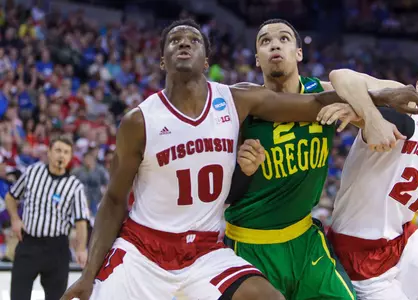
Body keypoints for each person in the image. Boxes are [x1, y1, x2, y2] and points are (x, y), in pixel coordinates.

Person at [60, 18, 380, 300]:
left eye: (194, 40)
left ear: (206, 61)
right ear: (162, 60)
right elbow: (114, 200)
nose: (184, 43)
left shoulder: (234, 101)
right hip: (144, 250)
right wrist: (89, 273)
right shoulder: (139, 121)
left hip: (204, 251)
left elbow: (312, 103)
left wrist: (384, 101)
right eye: (175, 40)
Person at [223, 18, 418, 300]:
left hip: (304, 240)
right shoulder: (243, 101)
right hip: (251, 245)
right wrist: (244, 170)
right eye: (265, 41)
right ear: (257, 59)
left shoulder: (322, 93)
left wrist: (361, 112)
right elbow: (224, 194)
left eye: (284, 38)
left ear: (299, 53)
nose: (275, 44)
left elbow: (402, 112)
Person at [321, 51, 418, 300]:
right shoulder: (401, 110)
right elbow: (341, 77)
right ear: (417, 85)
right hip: (359, 252)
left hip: (403, 242)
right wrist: (367, 115)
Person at [6, 135, 89, 300]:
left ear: (70, 157)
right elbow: (11, 196)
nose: (61, 155)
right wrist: (15, 219)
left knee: (56, 297)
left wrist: (80, 249)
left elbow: (81, 221)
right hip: (29, 243)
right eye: (58, 150)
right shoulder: (33, 172)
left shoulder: (75, 186)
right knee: (18, 295)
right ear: (49, 152)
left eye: (66, 152)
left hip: (56, 248)